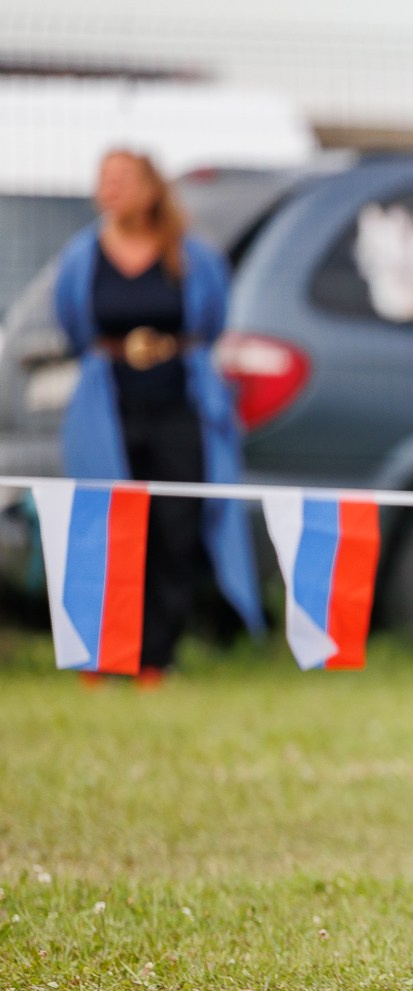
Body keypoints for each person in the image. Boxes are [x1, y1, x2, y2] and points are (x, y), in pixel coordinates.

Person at [52, 149, 265, 681]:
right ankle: (102, 654)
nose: (111, 189)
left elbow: (211, 322)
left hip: (179, 407)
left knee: (174, 527)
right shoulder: (81, 258)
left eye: (122, 179)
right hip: (108, 410)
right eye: (104, 180)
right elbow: (73, 325)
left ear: (151, 188)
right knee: (106, 526)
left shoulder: (193, 257)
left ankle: (155, 658)